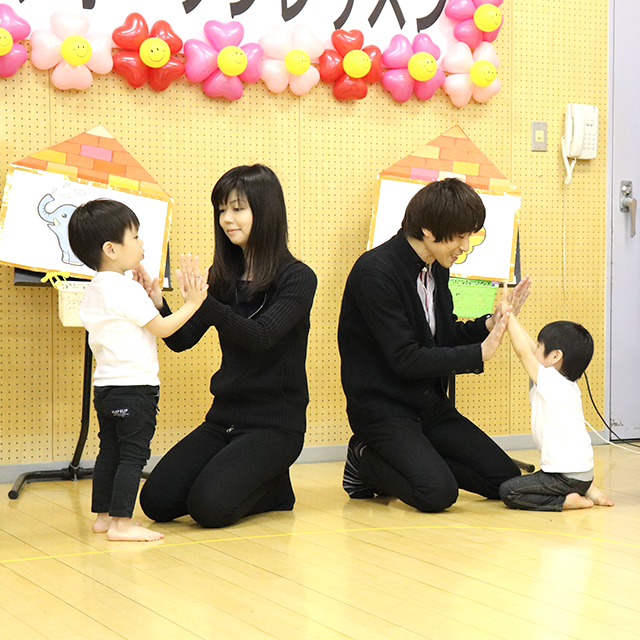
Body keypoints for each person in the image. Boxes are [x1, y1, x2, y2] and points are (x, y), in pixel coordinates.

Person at [137, 164, 317, 529]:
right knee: (156, 500)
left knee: (209, 508)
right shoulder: (222, 278)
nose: (226, 219)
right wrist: (158, 302)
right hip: (224, 419)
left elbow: (262, 336)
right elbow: (181, 341)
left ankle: (275, 490)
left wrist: (204, 303)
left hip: (275, 426)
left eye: (237, 208)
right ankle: (265, 482)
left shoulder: (298, 278)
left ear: (265, 211)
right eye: (222, 210)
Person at [338, 177, 530, 513]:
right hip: (383, 410)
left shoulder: (436, 268)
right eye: (460, 236)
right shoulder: (375, 272)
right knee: (436, 493)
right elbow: (405, 358)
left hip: (428, 405)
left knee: (505, 481)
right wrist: (478, 354)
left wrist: (490, 323)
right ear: (429, 230)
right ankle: (363, 458)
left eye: (470, 236)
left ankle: (419, 457)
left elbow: (443, 335)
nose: (465, 247)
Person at [68, 198, 208, 541]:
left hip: (105, 389)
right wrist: (192, 304)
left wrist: (150, 295)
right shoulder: (126, 289)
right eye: (135, 237)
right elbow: (163, 328)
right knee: (133, 456)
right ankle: (122, 523)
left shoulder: (95, 289)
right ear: (111, 249)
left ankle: (103, 517)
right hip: (135, 390)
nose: (142, 243)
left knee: (109, 452)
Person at [498, 314, 614, 511]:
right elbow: (530, 350)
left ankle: (564, 501)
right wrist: (513, 319)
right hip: (583, 475)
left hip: (564, 477)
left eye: (540, 346)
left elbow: (524, 353)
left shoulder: (552, 381)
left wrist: (508, 318)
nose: (535, 349)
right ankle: (590, 490)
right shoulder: (565, 383)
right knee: (572, 480)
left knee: (509, 491)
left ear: (555, 356)